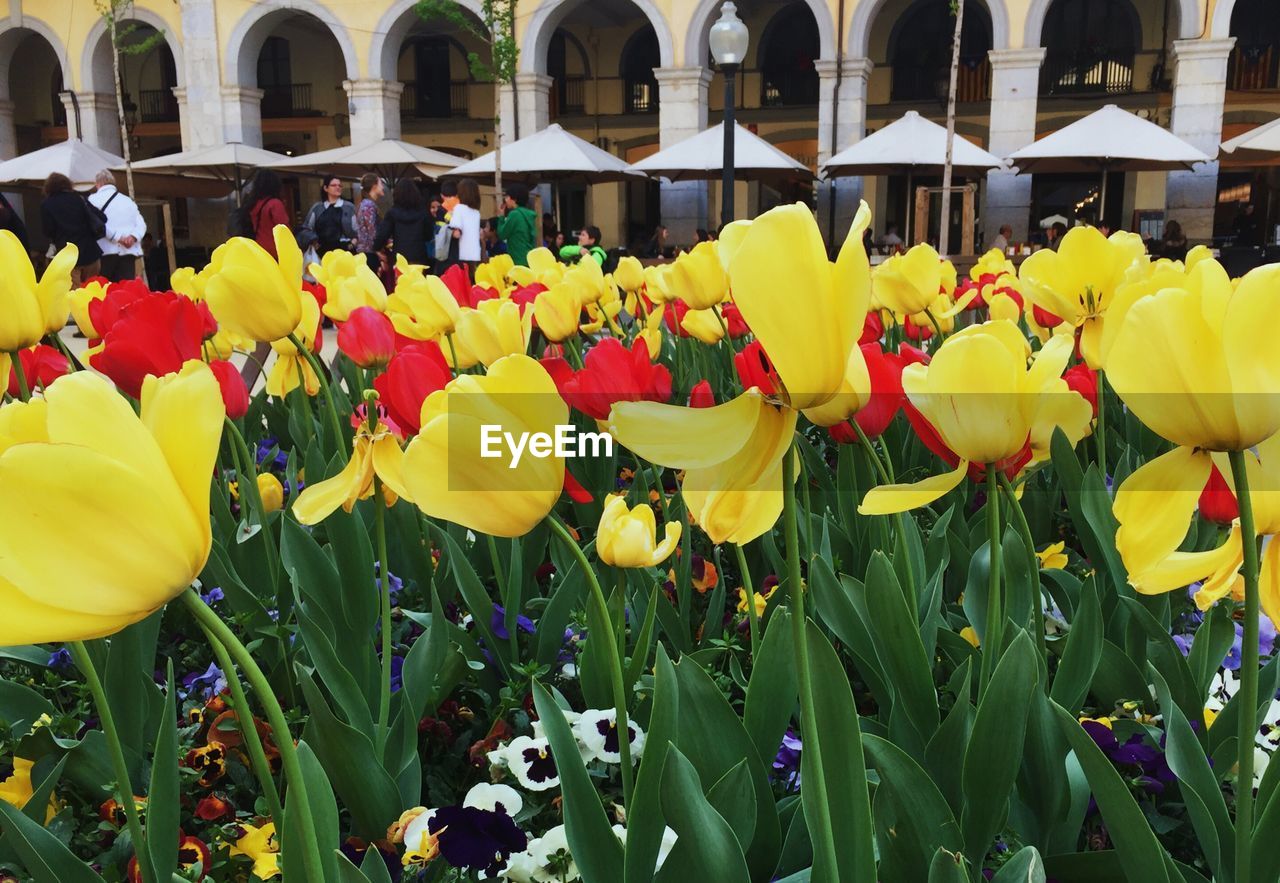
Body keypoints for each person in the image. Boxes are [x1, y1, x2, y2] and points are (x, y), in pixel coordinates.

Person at [40, 172, 102, 285]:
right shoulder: (78, 198)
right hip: (91, 252)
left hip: (69, 256)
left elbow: (48, 231)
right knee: (93, 291)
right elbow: (101, 217)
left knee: (75, 296)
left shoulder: (47, 204)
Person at [88, 169, 146, 282]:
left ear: (98, 184)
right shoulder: (128, 201)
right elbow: (141, 224)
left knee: (103, 290)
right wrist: (133, 237)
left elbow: (96, 224)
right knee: (125, 291)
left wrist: (118, 238)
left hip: (104, 252)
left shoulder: (92, 200)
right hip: (128, 252)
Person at [374, 178, 431, 266]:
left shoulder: (392, 213)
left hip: (399, 256)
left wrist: (376, 248)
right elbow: (428, 235)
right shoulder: (423, 212)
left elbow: (383, 234)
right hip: (419, 255)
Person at [301, 174, 356, 256]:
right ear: (326, 188)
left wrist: (352, 244)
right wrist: (314, 242)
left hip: (345, 251)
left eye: (340, 185)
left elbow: (357, 229)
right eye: (334, 185)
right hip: (322, 251)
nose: (338, 187)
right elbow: (307, 228)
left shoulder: (349, 207)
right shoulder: (317, 208)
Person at [247, 169, 289, 257]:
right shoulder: (275, 203)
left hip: (259, 249)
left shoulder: (253, 204)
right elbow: (284, 228)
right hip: (276, 250)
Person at [446, 177, 483, 275]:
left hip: (460, 255)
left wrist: (445, 228)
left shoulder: (459, 209)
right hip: (474, 255)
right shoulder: (476, 212)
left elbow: (456, 234)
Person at [497, 183, 538, 266]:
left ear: (514, 199)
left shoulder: (514, 214)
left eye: (507, 197)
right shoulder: (529, 215)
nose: (505, 200)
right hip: (529, 258)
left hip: (517, 259)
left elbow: (502, 234)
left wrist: (501, 217)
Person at [354, 172, 385, 271]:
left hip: (367, 252)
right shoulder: (368, 205)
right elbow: (371, 231)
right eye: (381, 184)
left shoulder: (366, 204)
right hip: (369, 253)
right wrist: (378, 251)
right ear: (374, 186)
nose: (383, 187)